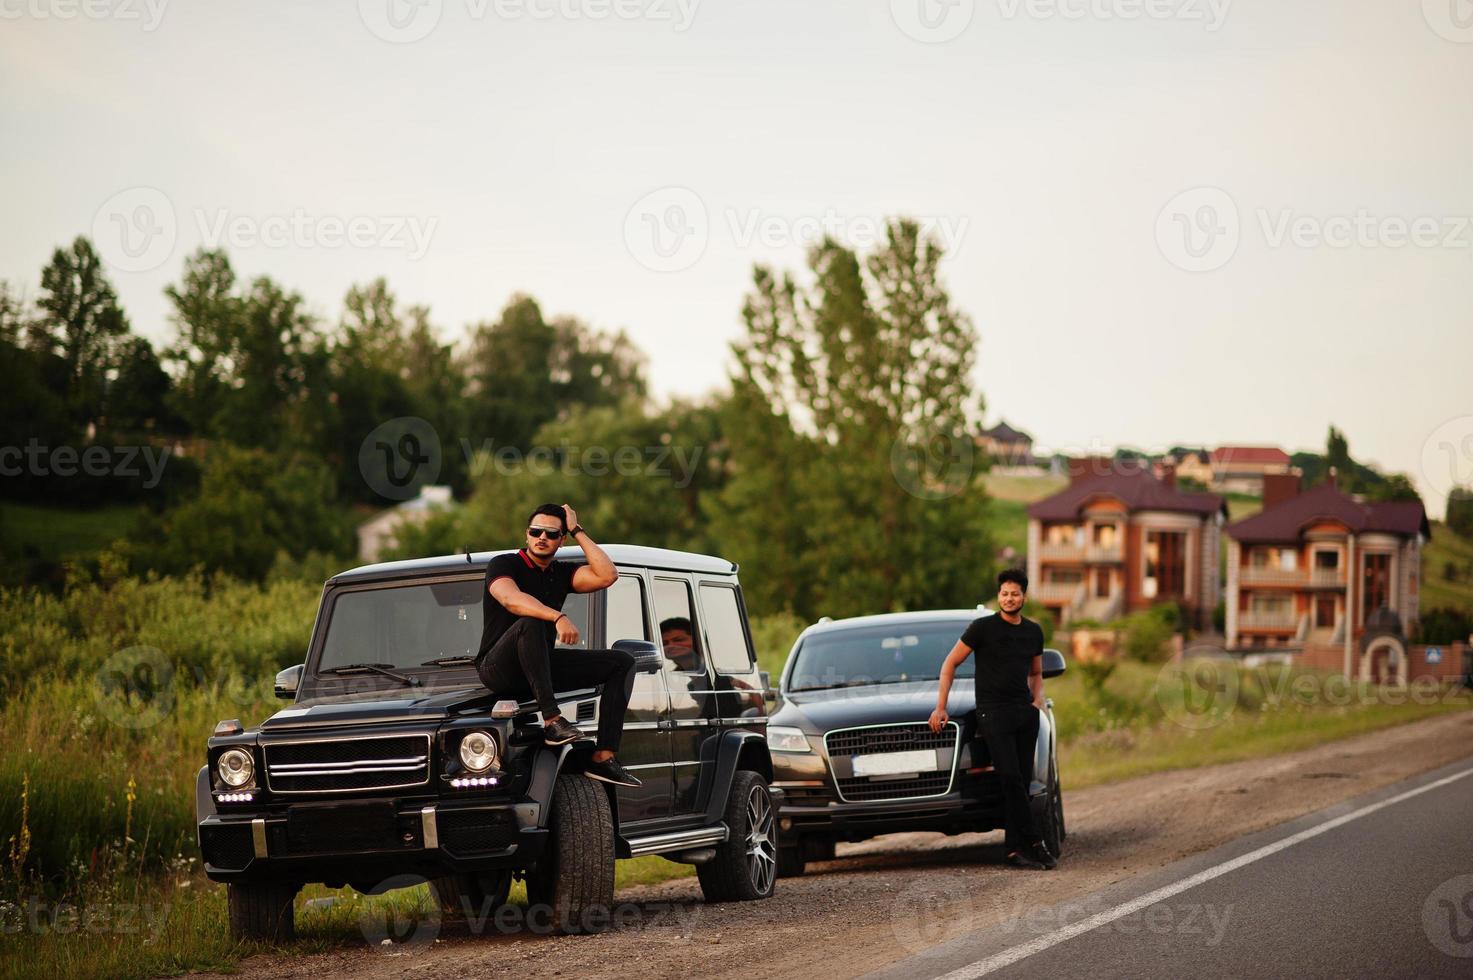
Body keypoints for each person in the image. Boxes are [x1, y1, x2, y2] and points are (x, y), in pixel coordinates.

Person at [474, 502, 641, 788]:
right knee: (530, 621)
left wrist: (578, 529)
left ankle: (603, 758)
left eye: (551, 534)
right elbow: (510, 599)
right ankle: (552, 720)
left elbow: (607, 575)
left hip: (539, 667)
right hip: (498, 668)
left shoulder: (561, 572)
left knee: (622, 662)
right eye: (535, 531)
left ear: (561, 540)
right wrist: (558, 616)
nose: (542, 537)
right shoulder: (505, 564)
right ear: (526, 535)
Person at [928, 568, 1056, 870]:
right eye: (1004, 593)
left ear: (1024, 596)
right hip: (993, 713)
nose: (1009, 598)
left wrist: (1037, 700)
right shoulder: (981, 628)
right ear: (999, 596)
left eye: (1015, 593)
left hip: (1024, 715)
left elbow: (1036, 672)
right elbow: (950, 663)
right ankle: (1036, 842)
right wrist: (940, 707)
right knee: (1010, 777)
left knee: (1021, 783)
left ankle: (1014, 850)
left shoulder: (1033, 631)